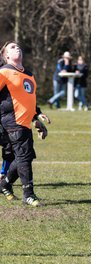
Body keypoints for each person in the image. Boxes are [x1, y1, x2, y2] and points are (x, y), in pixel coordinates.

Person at [0, 41, 50, 206]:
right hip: (11, 120)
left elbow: (29, 100)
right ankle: (28, 194)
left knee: (25, 156)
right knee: (23, 156)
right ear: (6, 55)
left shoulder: (29, 74)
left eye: (18, 46)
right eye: (12, 47)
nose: (17, 48)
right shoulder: (4, 72)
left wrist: (38, 115)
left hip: (24, 122)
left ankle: (5, 183)